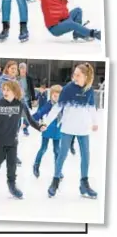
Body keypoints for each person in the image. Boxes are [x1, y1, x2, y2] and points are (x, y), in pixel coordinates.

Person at [43, 63, 99, 199]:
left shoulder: (89, 90)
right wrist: (46, 121)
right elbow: (57, 108)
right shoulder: (68, 89)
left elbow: (92, 108)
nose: (75, 77)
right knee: (62, 155)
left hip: (83, 129)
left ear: (86, 77)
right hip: (68, 128)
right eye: (74, 74)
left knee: (86, 156)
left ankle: (84, 183)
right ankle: (55, 181)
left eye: (78, 75)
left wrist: (95, 122)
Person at [0, 80, 45, 199]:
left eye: (8, 90)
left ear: (15, 91)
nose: (5, 92)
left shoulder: (20, 105)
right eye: (4, 89)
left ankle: (12, 185)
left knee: (12, 165)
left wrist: (39, 126)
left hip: (12, 141)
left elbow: (30, 119)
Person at [28, 0, 102, 41]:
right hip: (55, 27)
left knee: (78, 10)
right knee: (71, 24)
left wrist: (63, 1)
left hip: (63, 21)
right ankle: (94, 33)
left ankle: (78, 33)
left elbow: (64, 14)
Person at [32, 84, 63, 178]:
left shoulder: (63, 105)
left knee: (57, 151)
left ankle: (58, 170)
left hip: (58, 130)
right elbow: (39, 113)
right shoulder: (48, 105)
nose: (56, 98)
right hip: (47, 129)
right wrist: (28, 120)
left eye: (59, 96)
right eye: (54, 96)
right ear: (51, 95)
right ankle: (36, 165)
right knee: (43, 148)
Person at [17, 63, 36, 136]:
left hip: (27, 100)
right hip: (18, 100)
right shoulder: (17, 78)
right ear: (19, 69)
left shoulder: (29, 78)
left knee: (26, 115)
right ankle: (17, 129)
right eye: (21, 68)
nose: (23, 70)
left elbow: (32, 89)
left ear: (26, 69)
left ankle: (25, 128)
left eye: (24, 68)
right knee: (18, 115)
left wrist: (33, 99)